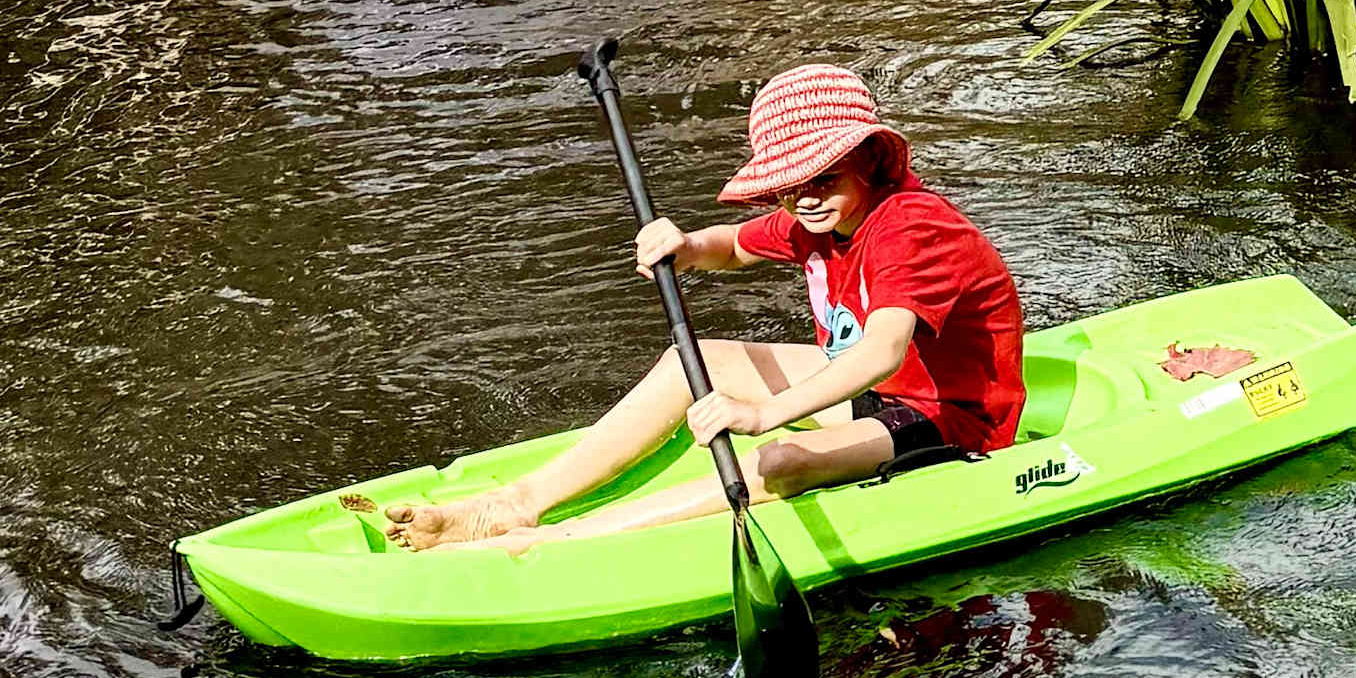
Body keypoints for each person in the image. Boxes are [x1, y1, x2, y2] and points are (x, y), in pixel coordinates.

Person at [375, 62, 1217, 553]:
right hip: (880, 393)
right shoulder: (820, 215)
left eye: (822, 179)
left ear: (868, 165)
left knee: (777, 464)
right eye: (791, 184)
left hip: (948, 420)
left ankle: (559, 543)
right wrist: (680, 243)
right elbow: (733, 246)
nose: (805, 200)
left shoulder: (909, 228)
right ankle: (517, 502)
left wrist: (766, 414)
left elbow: (884, 352)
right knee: (687, 356)